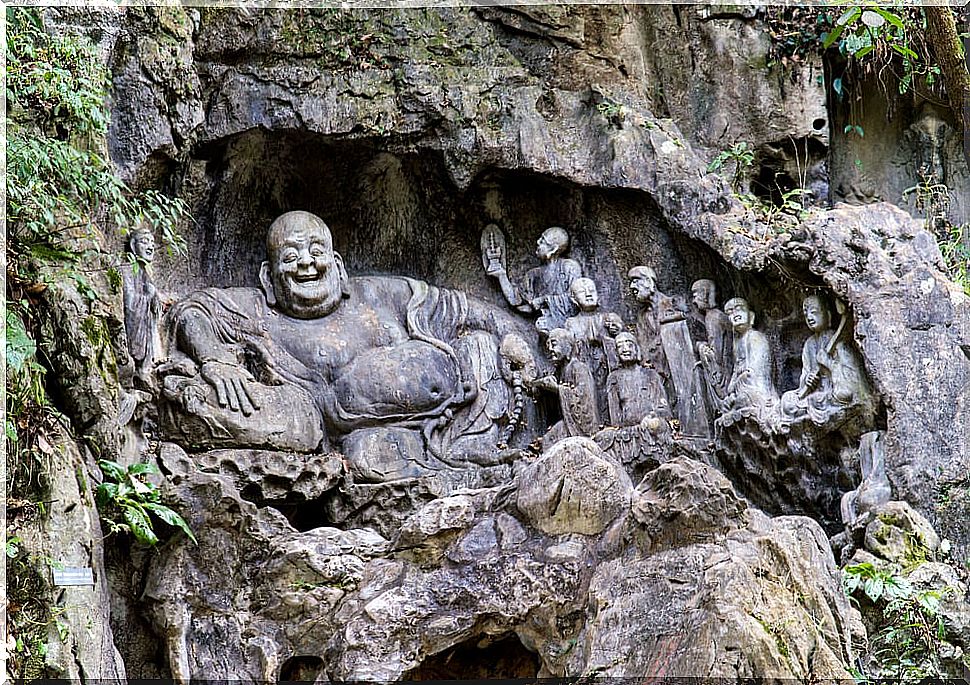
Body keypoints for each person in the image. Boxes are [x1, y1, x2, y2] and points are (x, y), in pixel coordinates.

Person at [167, 211, 528, 465]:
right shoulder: (259, 310)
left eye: (317, 251)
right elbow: (191, 310)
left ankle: (476, 447)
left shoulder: (379, 295)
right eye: (290, 256)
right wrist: (215, 358)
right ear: (268, 278)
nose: (307, 263)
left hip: (453, 409)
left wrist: (518, 338)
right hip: (364, 440)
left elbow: (462, 309)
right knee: (362, 453)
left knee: (480, 347)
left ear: (338, 266)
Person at [780, 295, 873, 425]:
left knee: (843, 395)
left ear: (828, 316)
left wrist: (829, 363)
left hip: (834, 393)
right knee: (786, 401)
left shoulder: (837, 341)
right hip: (817, 394)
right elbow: (805, 374)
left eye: (814, 312)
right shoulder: (809, 345)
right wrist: (807, 379)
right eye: (806, 314)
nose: (809, 317)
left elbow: (852, 378)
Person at [485, 226, 582, 333]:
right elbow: (516, 299)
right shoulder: (533, 275)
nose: (537, 242)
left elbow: (576, 297)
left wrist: (544, 300)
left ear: (553, 249)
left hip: (569, 324)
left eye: (543, 241)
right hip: (544, 324)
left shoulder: (569, 267)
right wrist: (501, 275)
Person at [531, 328, 600, 447]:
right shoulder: (558, 372)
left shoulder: (578, 368)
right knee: (548, 440)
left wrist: (558, 389)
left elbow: (585, 400)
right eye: (548, 346)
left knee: (550, 440)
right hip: (566, 422)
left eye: (554, 344)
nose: (550, 349)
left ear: (567, 345)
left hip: (579, 426)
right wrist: (541, 386)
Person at [721, 297, 778, 419]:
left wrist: (737, 383)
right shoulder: (737, 344)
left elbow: (757, 373)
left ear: (751, 316)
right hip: (743, 388)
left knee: (742, 400)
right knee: (726, 405)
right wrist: (732, 390)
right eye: (730, 313)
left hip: (757, 389)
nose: (735, 315)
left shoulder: (755, 337)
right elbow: (736, 371)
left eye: (739, 309)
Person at [605, 333, 670, 428]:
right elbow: (615, 416)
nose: (625, 349)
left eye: (629, 345)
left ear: (637, 349)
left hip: (651, 425)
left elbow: (664, 408)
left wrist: (652, 416)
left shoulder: (650, 374)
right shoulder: (613, 378)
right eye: (620, 346)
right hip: (627, 431)